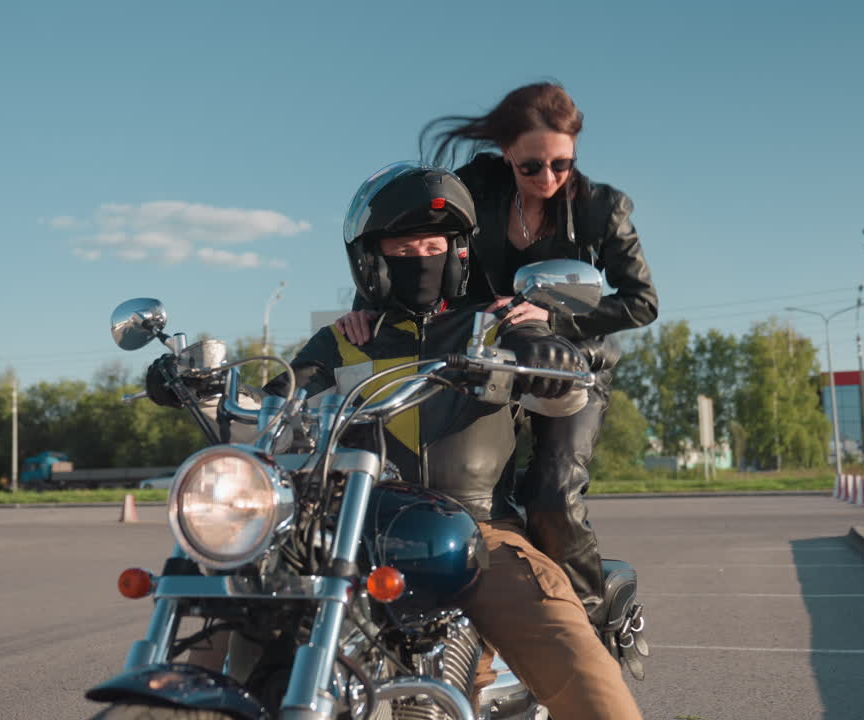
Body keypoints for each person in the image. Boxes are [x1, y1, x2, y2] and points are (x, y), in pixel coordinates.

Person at [276, 162, 645, 719]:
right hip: (359, 536)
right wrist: (202, 388)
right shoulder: (343, 340)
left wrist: (551, 357)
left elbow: (566, 391)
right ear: (370, 258)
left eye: (436, 243)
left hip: (483, 535)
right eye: (403, 245)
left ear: (460, 253)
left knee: (588, 678)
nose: (421, 256)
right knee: (245, 615)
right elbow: (273, 405)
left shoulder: (496, 325)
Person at [336, 82, 659, 624]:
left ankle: (585, 617)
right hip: (474, 357)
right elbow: (412, 241)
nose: (550, 179)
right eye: (533, 165)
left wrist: (553, 317)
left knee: (552, 493)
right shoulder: (473, 188)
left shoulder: (603, 208)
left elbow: (641, 302)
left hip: (566, 366)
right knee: (456, 492)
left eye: (563, 163)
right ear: (507, 152)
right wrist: (367, 308)